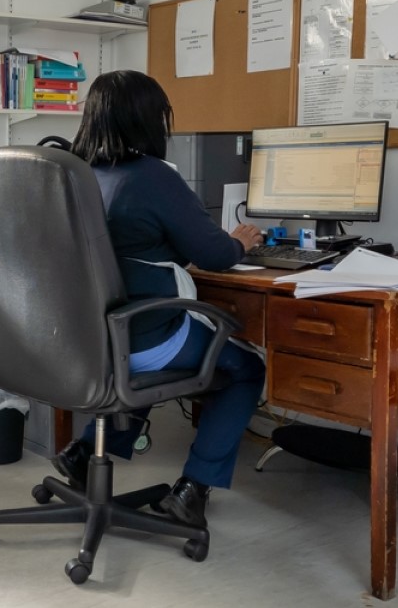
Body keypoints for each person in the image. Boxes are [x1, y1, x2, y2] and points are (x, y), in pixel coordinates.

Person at [51, 70, 267, 528]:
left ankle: (85, 451)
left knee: (139, 348)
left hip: (79, 340)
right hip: (138, 334)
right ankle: (193, 489)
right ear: (151, 121)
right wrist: (242, 241)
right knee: (246, 367)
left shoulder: (76, 174)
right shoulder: (152, 176)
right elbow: (214, 255)